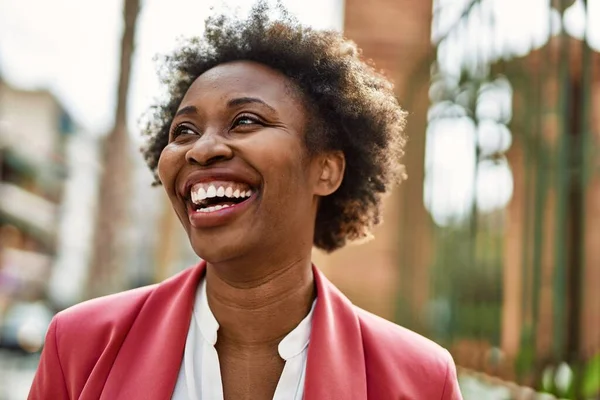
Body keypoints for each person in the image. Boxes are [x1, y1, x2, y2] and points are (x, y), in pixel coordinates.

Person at [29, 3, 462, 399]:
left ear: (326, 170)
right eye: (183, 131)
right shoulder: (80, 344)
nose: (201, 149)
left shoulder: (420, 380)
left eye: (245, 121)